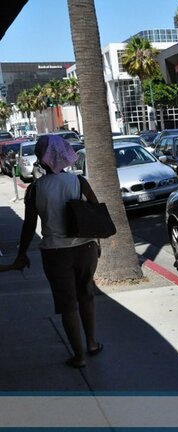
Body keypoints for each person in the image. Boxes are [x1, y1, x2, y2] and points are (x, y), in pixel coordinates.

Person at [9, 135, 103, 369]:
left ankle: (79, 356)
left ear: (41, 158)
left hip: (55, 252)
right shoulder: (80, 182)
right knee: (86, 294)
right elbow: (96, 213)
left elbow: (29, 225)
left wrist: (21, 254)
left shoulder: (35, 189)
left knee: (67, 303)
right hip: (86, 247)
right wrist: (97, 242)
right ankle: (92, 343)